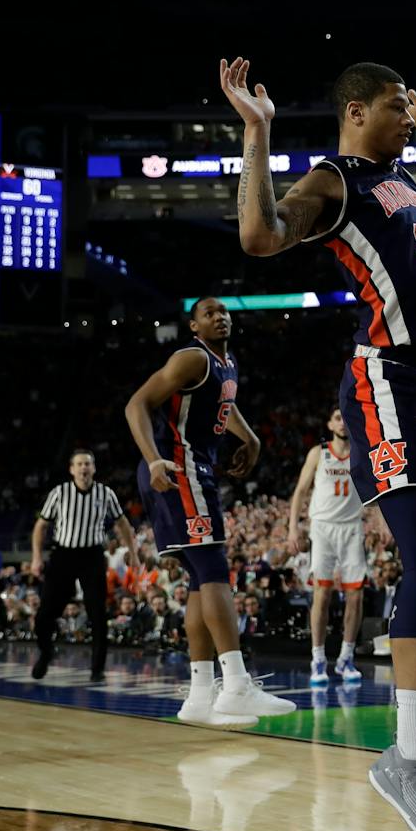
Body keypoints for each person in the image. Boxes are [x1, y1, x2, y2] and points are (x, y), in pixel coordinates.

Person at [221, 56, 416, 831]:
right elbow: (260, 234)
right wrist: (258, 133)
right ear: (354, 111)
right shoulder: (335, 178)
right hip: (390, 377)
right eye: (393, 106)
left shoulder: (409, 187)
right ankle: (408, 757)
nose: (406, 116)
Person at [124, 296, 293, 730]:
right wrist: (155, 458)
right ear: (194, 326)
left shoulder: (225, 363)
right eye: (209, 313)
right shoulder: (191, 358)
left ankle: (201, 694)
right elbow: (136, 404)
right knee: (215, 569)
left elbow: (226, 406)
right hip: (177, 468)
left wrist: (250, 439)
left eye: (224, 311)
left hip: (191, 468)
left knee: (201, 578)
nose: (220, 317)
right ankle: (235, 683)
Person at [30, 448, 137, 682]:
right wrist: (37, 557)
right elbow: (41, 526)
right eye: (79, 464)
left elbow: (122, 523)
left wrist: (133, 552)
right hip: (63, 555)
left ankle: (97, 668)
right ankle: (46, 653)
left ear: (94, 468)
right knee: (45, 613)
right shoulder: (59, 493)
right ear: (71, 469)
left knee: (98, 613)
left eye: (87, 464)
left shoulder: (105, 493)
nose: (83, 468)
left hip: (92, 556)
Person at [288, 408, 378, 686]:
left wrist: (382, 523)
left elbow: (376, 489)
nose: (343, 422)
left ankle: (346, 658)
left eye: (346, 417)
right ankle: (317, 659)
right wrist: (293, 527)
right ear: (329, 424)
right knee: (322, 594)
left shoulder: (362, 452)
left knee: (355, 597)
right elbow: (301, 491)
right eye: (338, 417)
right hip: (322, 527)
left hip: (352, 527)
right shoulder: (319, 453)